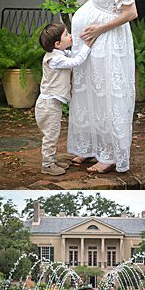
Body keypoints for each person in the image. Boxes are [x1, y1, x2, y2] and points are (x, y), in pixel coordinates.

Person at [65, 0, 138, 174]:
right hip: (95, 45)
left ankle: (110, 155)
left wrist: (98, 29)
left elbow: (131, 13)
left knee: (108, 98)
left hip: (110, 44)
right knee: (91, 97)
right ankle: (89, 148)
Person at [35, 21, 92, 176]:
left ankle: (52, 160)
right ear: (58, 43)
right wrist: (87, 45)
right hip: (48, 105)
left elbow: (70, 54)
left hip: (51, 103)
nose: (70, 36)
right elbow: (77, 61)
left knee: (53, 134)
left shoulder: (58, 54)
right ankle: (47, 165)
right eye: (67, 34)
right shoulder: (55, 59)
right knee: (50, 136)